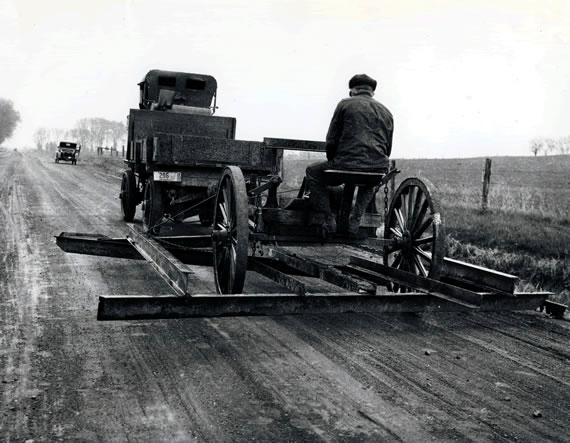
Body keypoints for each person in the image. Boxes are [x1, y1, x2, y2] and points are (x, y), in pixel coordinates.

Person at [305, 73, 394, 234]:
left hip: (345, 164)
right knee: (370, 180)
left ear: (352, 91)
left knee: (312, 172)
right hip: (377, 168)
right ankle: (356, 219)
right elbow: (388, 148)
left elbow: (331, 140)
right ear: (372, 92)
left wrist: (334, 160)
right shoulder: (386, 111)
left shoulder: (344, 104)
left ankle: (328, 218)